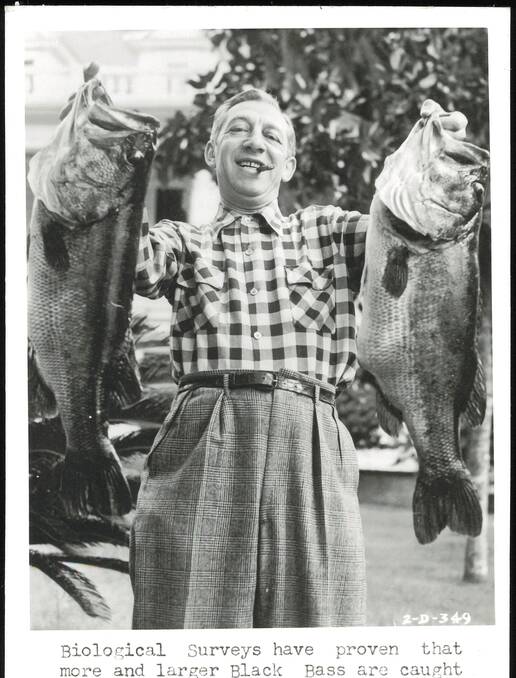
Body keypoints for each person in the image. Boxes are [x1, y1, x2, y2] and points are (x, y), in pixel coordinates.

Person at [131, 88, 467, 629]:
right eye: (239, 129)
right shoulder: (181, 239)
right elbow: (133, 265)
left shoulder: (328, 231)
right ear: (211, 152)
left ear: (287, 165)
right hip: (204, 433)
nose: (255, 142)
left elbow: (417, 227)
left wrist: (439, 150)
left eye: (272, 135)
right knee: (187, 621)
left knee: (320, 623)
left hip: (310, 434)